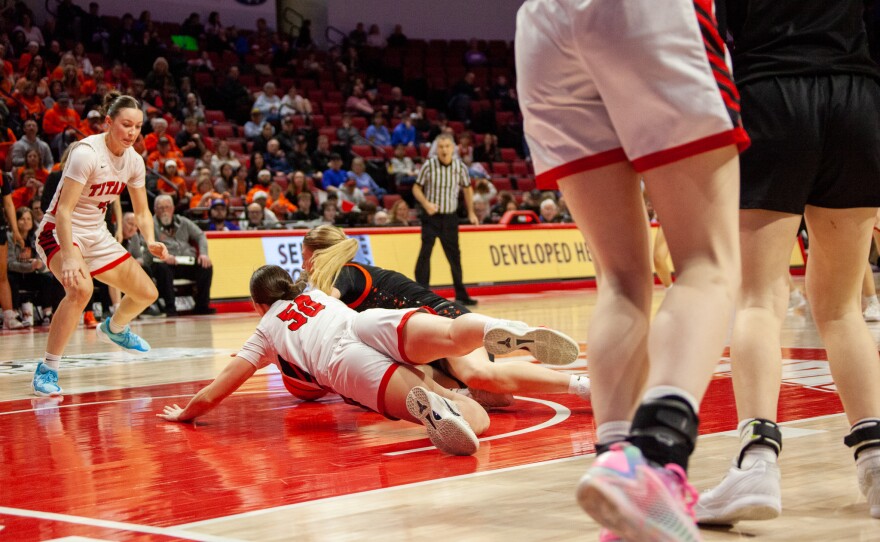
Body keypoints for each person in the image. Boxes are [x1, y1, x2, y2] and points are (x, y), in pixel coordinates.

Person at [516, 1, 749, 539]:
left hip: (542, 24)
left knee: (619, 280)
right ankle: (655, 457)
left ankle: (623, 484)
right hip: (644, 13)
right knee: (707, 263)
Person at [694, 0, 880, 525]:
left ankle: (757, 461)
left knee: (759, 298)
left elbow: (711, 27)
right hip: (857, 96)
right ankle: (876, 463)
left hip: (771, 93)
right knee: (843, 307)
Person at [156, 264, 577, 455]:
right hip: (365, 324)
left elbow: (217, 391)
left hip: (343, 365)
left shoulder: (265, 329)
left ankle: (440, 407)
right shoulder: (313, 292)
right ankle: (499, 330)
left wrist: (188, 414)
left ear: (256, 303)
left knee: (472, 418)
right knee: (451, 334)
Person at [302, 225, 588, 407]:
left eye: (305, 258)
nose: (303, 265)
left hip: (438, 320)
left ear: (317, 256)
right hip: (420, 342)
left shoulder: (345, 273)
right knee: (498, 396)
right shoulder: (358, 270)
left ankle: (581, 385)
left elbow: (325, 306)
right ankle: (466, 390)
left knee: (478, 374)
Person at [32, 92, 169, 396]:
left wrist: (151, 240)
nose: (132, 132)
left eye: (137, 126)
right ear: (108, 122)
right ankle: (47, 369)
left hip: (96, 232)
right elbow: (64, 211)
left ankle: (114, 329)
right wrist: (69, 257)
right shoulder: (86, 153)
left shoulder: (134, 161)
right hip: (59, 231)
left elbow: (143, 211)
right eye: (125, 125)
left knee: (147, 292)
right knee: (81, 290)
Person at [413, 133, 478, 306]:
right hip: (431, 216)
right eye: (440, 146)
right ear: (437, 148)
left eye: (447, 146)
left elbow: (467, 189)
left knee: (454, 256)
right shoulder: (429, 165)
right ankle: (421, 292)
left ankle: (461, 293)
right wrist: (426, 204)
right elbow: (416, 188)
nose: (444, 150)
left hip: (450, 218)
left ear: (453, 148)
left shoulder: (459, 166)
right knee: (425, 253)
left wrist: (471, 212)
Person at [152, 195, 215, 315]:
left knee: (206, 267)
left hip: (185, 261)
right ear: (155, 210)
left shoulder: (183, 222)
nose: (165, 211)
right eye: (161, 208)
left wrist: (203, 254)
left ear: (173, 208)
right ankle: (170, 308)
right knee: (163, 269)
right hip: (164, 263)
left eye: (167, 207)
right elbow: (147, 244)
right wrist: (164, 256)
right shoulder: (150, 224)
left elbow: (200, 235)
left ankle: (202, 306)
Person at [1, 172, 25, 329]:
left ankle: (9, 315)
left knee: (1, 274)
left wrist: (15, 230)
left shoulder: (1, 175)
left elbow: (8, 203)